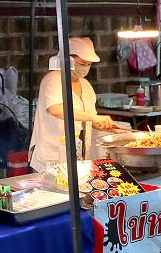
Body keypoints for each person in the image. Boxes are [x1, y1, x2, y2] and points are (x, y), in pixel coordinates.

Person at [29, 37, 118, 173]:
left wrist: (107, 126)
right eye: (82, 63)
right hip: (51, 159)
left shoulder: (86, 85)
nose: (85, 68)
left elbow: (88, 118)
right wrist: (93, 118)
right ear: (68, 60)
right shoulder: (52, 80)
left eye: (88, 64)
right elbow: (56, 109)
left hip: (79, 157)